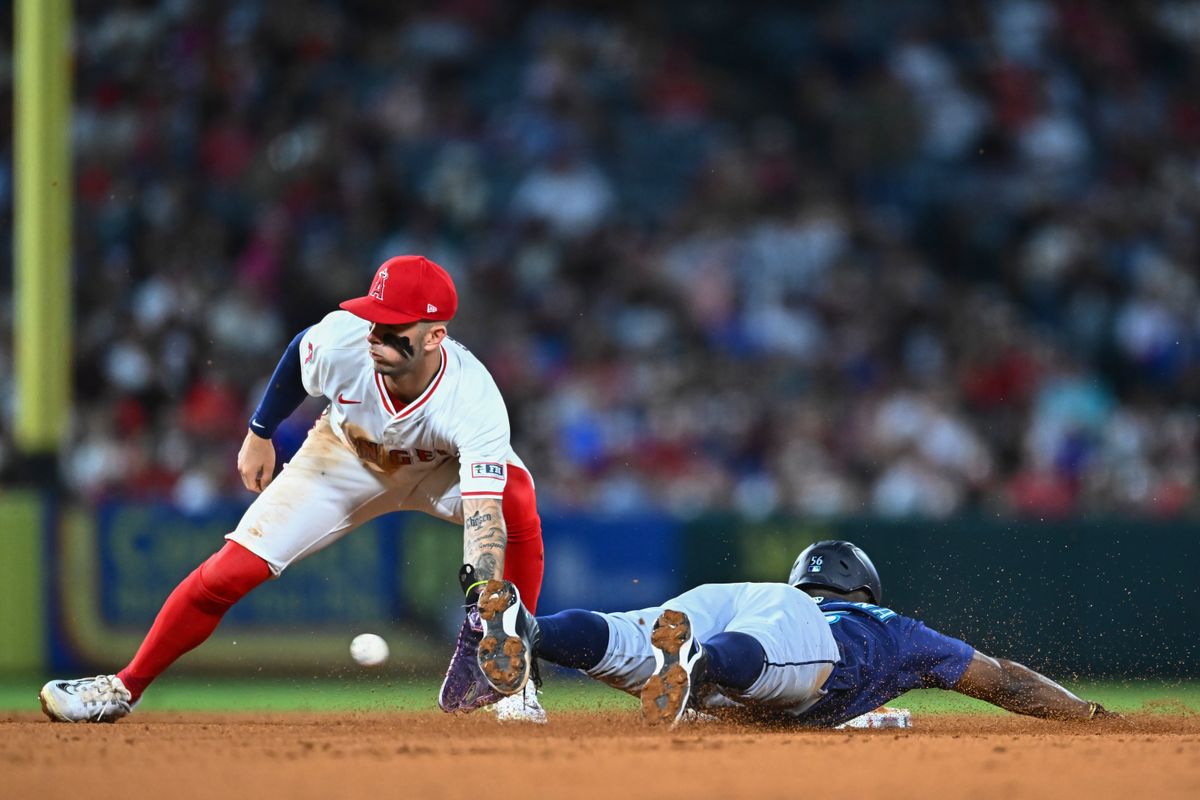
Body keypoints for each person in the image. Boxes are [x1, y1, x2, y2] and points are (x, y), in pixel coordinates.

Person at [40, 255, 548, 724]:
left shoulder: (474, 398)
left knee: (518, 497)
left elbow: (485, 516)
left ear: (436, 336)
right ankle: (123, 688)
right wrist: (259, 432)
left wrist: (484, 605)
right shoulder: (342, 341)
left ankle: (516, 675)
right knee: (227, 573)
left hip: (440, 470)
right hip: (345, 457)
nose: (374, 334)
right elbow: (295, 357)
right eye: (373, 318)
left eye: (392, 326)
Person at [466, 540, 1118, 727]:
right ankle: (695, 661)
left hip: (731, 602)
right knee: (771, 662)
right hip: (782, 642)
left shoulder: (772, 594)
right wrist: (1083, 713)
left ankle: (528, 626)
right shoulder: (884, 625)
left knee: (626, 638)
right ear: (863, 588)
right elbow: (1000, 680)